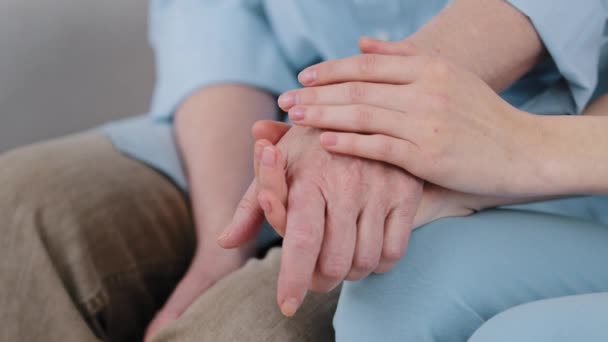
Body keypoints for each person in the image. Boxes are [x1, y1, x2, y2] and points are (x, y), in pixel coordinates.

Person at [0, 1, 606, 342]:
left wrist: (380, 119)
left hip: (512, 113)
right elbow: (216, 27)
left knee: (245, 329)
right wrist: (220, 243)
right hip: (279, 110)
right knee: (22, 210)